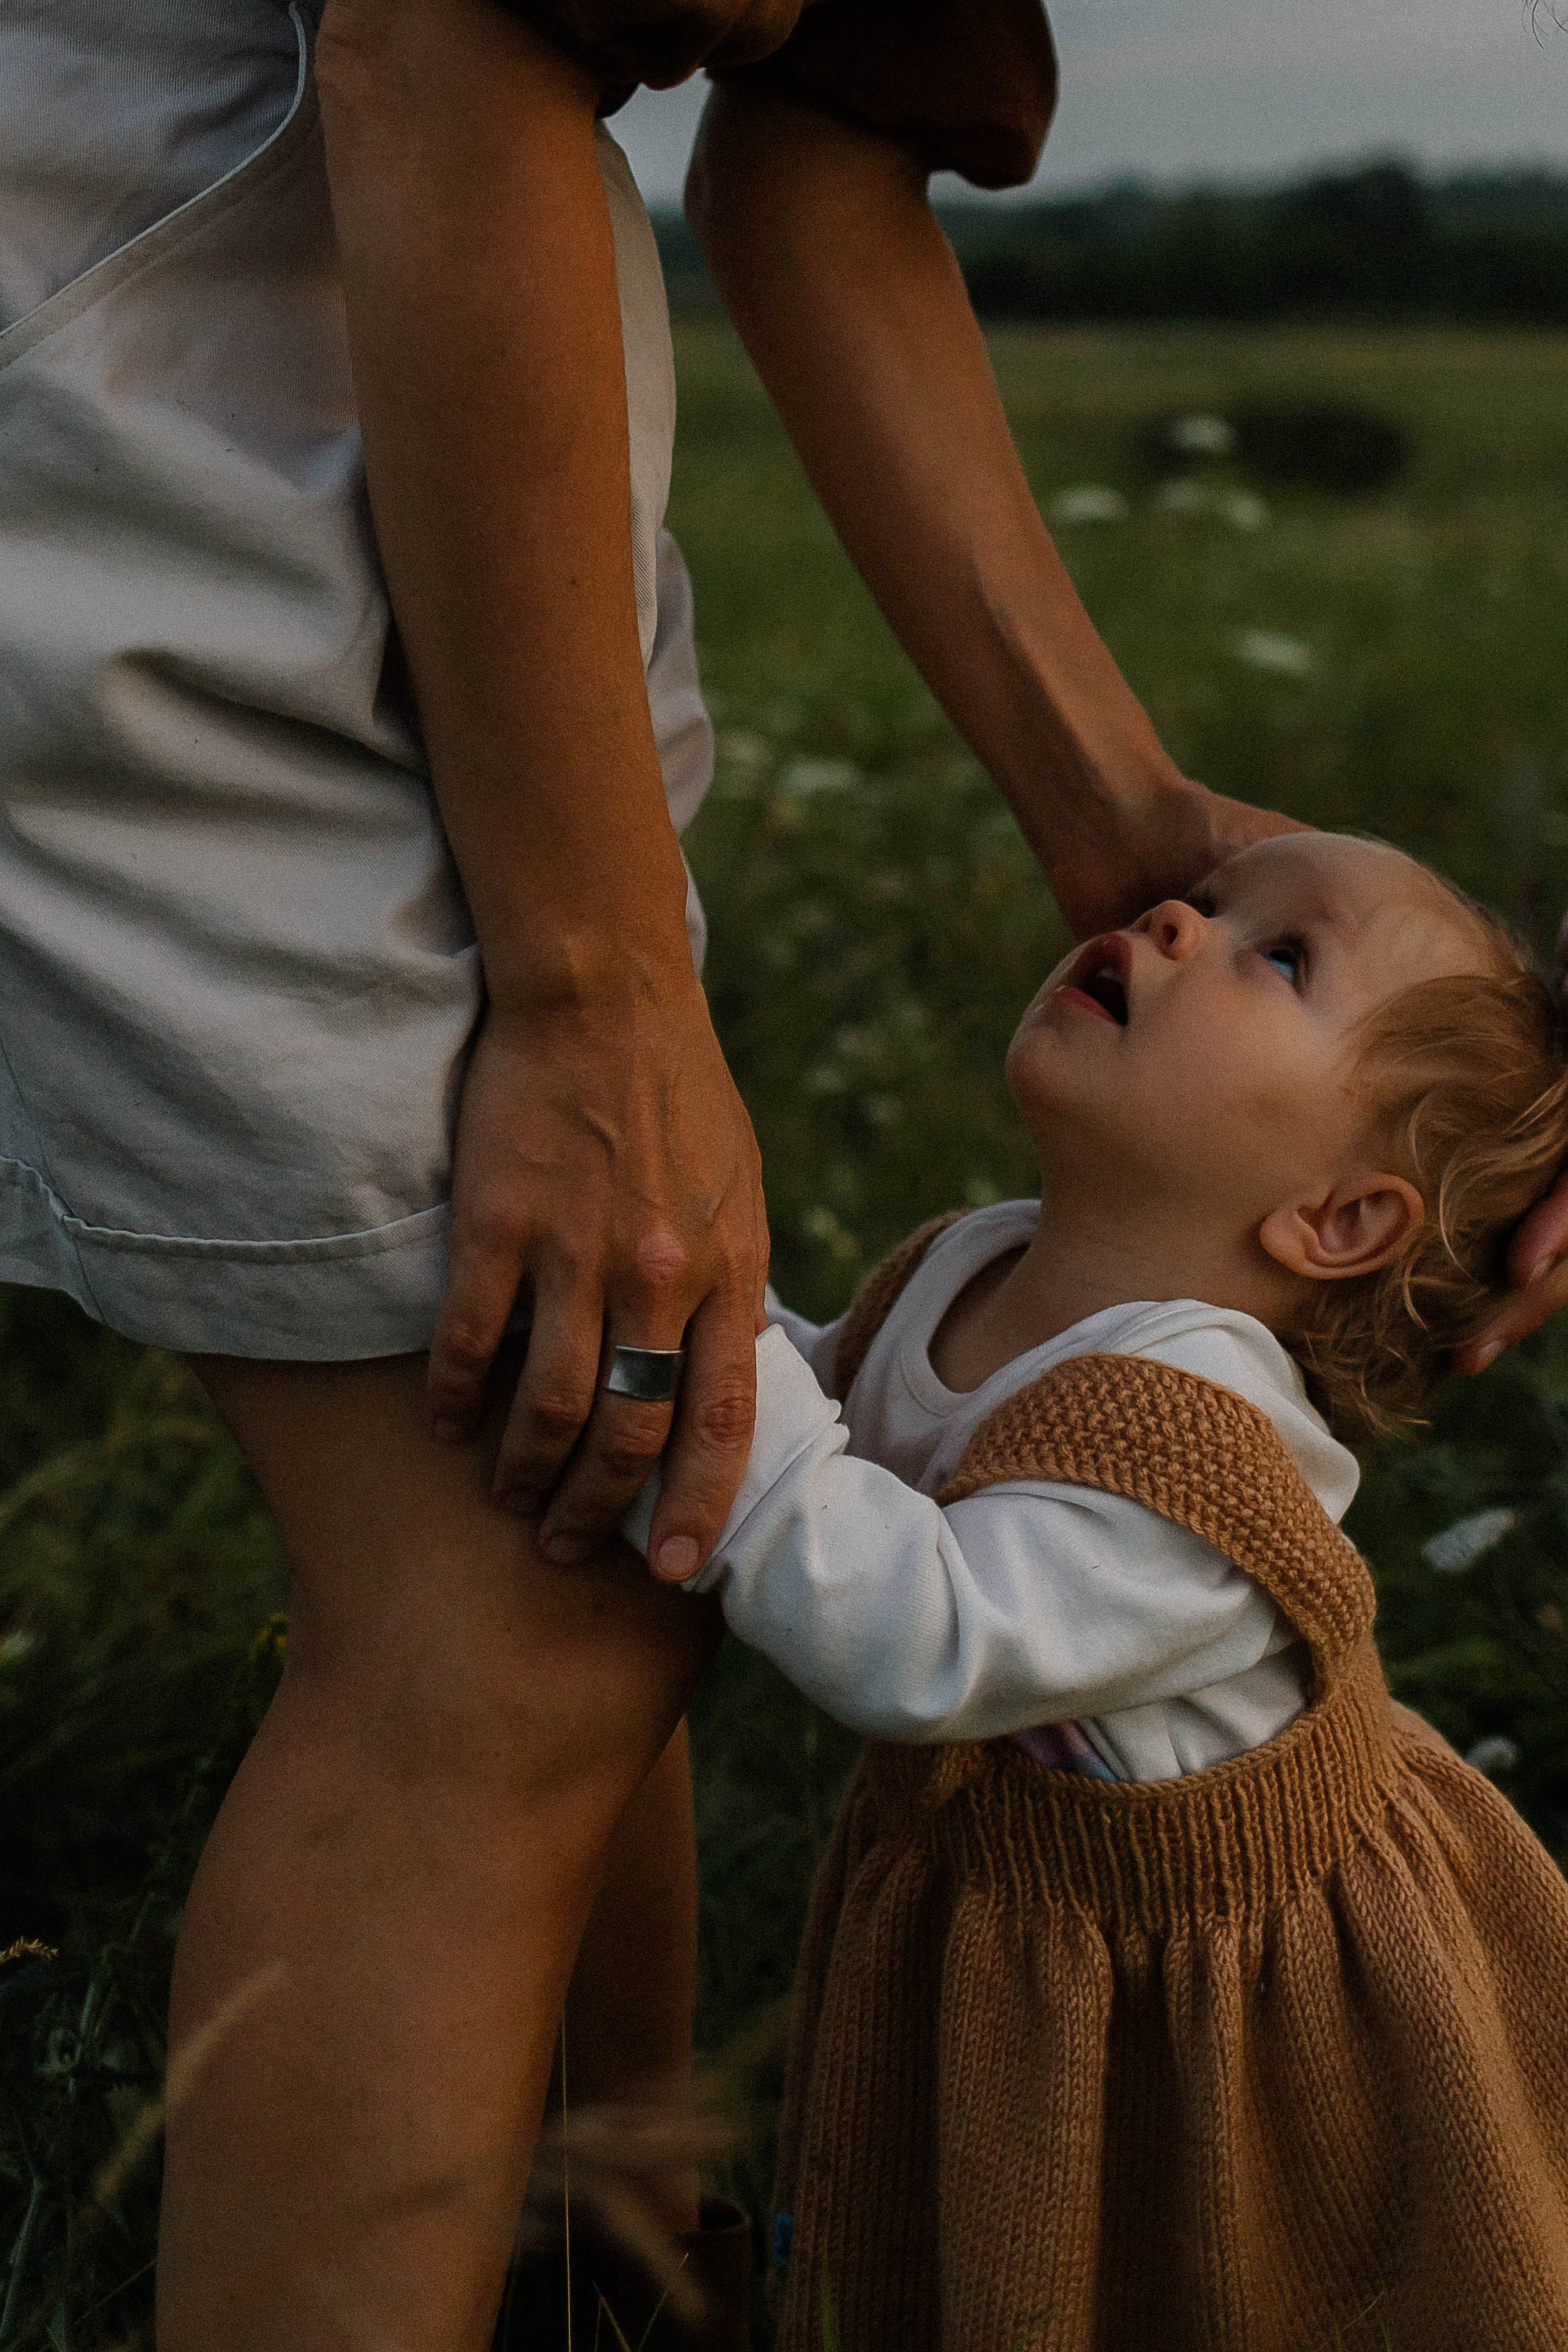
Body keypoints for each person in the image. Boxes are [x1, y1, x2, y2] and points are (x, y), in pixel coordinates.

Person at [0, 0, 1333, 2343]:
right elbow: (434, 24)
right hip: (184, 322)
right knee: (522, 1596)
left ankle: (621, 2266)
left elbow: (814, 156)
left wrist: (1119, 819)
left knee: (581, 1493)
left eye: (1286, 968)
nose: (1209, 940)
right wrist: (599, 997)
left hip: (417, 379)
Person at [628, 832, 1568, 2348]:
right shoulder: (970, 1268)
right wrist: (724, 1362)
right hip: (1021, 1929)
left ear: (1334, 1221)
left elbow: (919, 1634)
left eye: (1279, 953)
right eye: (1209, 897)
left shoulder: (1199, 1450)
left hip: (1235, 1996)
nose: (1178, 917)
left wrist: (702, 1348)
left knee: (1218, 2281)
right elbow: (822, 1428)